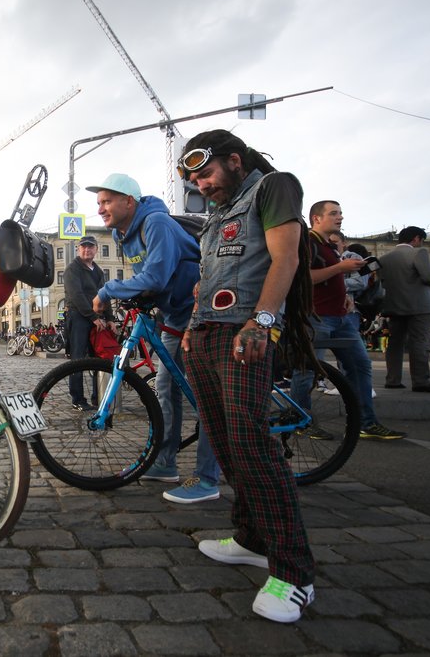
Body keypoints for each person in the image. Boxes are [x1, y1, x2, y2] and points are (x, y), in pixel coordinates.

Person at [178, 129, 318, 623]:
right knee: (225, 440)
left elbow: (287, 258)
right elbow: (206, 277)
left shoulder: (274, 187)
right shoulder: (216, 213)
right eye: (193, 178)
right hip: (209, 335)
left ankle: (295, 574)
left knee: (252, 445)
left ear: (234, 159)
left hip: (246, 333)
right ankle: (251, 538)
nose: (201, 183)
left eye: (207, 171)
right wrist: (194, 327)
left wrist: (262, 323)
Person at [86, 172, 220, 504]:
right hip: (176, 313)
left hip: (202, 310)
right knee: (166, 386)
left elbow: (157, 276)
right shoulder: (123, 233)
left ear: (128, 201)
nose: (101, 208)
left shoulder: (154, 222)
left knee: (204, 396)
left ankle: (207, 478)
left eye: (107, 201)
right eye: (99, 202)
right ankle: (164, 462)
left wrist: (109, 289)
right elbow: (149, 277)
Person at [290, 201, 403, 440]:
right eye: (333, 213)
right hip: (315, 317)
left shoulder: (329, 246)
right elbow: (302, 277)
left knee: (360, 366)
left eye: (340, 213)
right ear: (316, 218)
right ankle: (300, 420)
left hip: (341, 318)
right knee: (307, 370)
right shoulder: (307, 242)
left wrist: (345, 297)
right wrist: (341, 268)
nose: (340, 217)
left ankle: (366, 422)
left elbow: (330, 279)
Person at [380, 226, 430, 393]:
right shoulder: (419, 253)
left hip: (394, 306)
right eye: (421, 240)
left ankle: (392, 379)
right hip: (419, 306)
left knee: (395, 343)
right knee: (419, 341)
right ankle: (421, 381)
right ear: (417, 238)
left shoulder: (385, 258)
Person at [63, 235, 112, 411]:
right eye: (83, 247)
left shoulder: (98, 271)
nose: (87, 250)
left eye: (90, 247)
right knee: (78, 359)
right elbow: (77, 296)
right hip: (78, 317)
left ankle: (97, 398)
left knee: (98, 359)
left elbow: (104, 295)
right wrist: (93, 317)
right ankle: (78, 399)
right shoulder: (72, 269)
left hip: (95, 319)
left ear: (96, 249)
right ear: (78, 249)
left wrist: (110, 318)